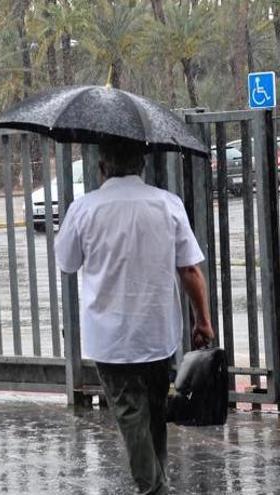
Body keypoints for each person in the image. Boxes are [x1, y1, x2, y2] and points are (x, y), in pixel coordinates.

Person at [54, 141, 215, 495]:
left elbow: (66, 262)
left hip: (110, 340)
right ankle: (158, 481)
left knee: (130, 414)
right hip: (157, 333)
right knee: (155, 411)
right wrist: (202, 319)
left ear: (102, 167)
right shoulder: (167, 204)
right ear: (142, 165)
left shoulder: (84, 209)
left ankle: (154, 487)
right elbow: (189, 269)